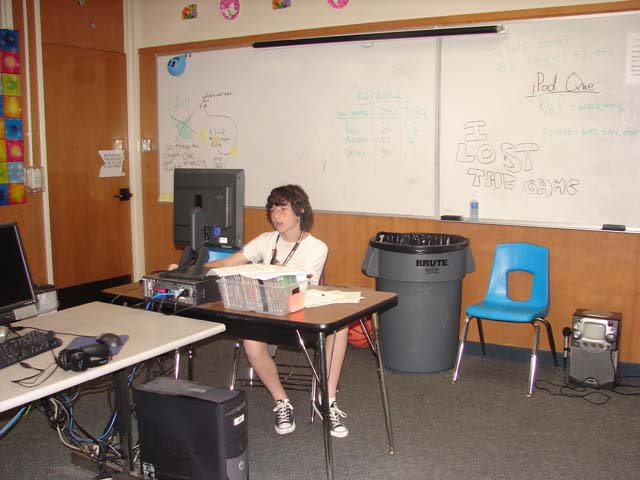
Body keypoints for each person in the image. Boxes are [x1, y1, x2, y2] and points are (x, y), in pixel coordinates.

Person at [205, 185, 349, 438]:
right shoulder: (265, 240)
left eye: (283, 210)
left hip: (299, 317)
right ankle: (281, 400)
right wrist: (194, 270)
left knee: (341, 328)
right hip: (266, 313)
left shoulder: (317, 247)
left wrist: (274, 271)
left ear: (300, 211)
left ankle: (327, 400)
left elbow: (301, 285)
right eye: (273, 210)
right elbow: (228, 262)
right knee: (251, 343)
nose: (277, 216)